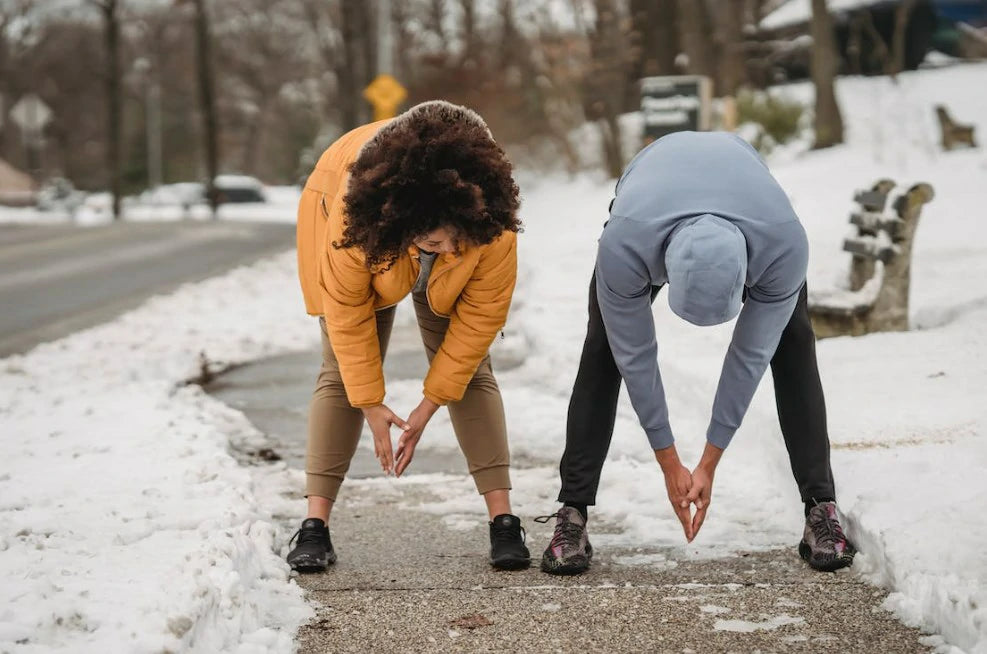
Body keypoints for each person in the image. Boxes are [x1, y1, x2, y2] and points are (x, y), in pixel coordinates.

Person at [539, 131, 856, 575]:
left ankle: (822, 508)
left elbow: (749, 357)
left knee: (793, 343)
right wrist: (670, 461)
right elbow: (638, 357)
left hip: (748, 187)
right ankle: (571, 514)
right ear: (662, 268)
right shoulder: (625, 246)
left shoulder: (783, 246)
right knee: (605, 348)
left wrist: (709, 460)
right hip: (650, 181)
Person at [287, 101, 530, 572]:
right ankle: (314, 525)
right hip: (344, 205)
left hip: (423, 230)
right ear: (404, 228)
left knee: (472, 371)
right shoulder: (355, 222)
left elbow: (478, 323)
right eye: (437, 244)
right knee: (340, 373)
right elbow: (348, 317)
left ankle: (503, 520)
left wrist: (429, 403)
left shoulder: (490, 225)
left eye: (461, 240)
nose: (451, 252)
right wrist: (371, 403)